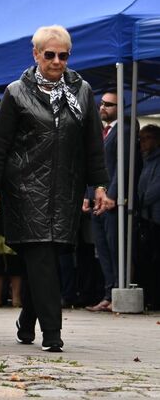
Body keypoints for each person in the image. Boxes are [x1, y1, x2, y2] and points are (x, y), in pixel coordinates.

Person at [0, 25, 110, 352]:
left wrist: (99, 186)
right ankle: (52, 334)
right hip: (24, 189)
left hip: (66, 189)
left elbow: (93, 144)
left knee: (48, 260)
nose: (56, 61)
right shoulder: (16, 92)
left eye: (63, 55)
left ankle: (27, 319)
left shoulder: (82, 92)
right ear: (36, 54)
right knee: (40, 257)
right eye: (49, 54)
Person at [85, 92, 141, 312]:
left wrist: (113, 195)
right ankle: (108, 293)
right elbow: (93, 166)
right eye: (102, 103)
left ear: (120, 107)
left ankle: (119, 291)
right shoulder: (101, 132)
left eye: (109, 104)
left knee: (116, 248)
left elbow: (122, 166)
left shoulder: (124, 131)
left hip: (114, 201)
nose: (103, 107)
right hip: (97, 200)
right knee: (103, 249)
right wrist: (87, 196)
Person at [135, 124, 160, 309]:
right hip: (145, 216)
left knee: (155, 259)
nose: (143, 142)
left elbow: (155, 189)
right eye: (141, 139)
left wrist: (140, 202)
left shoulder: (156, 160)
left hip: (155, 217)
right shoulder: (145, 160)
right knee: (146, 259)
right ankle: (150, 297)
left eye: (147, 138)